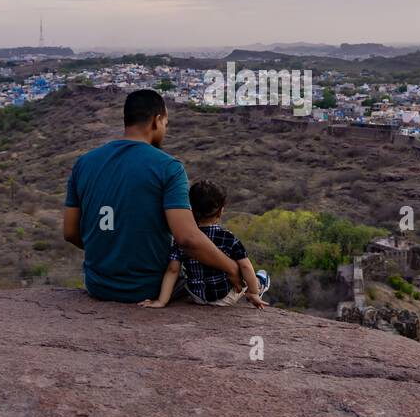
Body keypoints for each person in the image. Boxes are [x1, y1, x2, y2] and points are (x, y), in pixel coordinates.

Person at [63, 89, 242, 303]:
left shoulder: (84, 163)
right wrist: (232, 267)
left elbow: (70, 232)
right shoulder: (168, 167)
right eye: (166, 123)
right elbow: (187, 239)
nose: (165, 129)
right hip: (148, 288)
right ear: (156, 121)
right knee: (215, 280)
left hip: (98, 285)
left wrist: (110, 248)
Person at [139, 180, 270, 309]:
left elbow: (173, 270)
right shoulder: (228, 237)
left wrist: (161, 301)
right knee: (249, 270)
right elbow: (245, 266)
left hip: (197, 296)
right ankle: (259, 285)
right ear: (220, 212)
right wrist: (253, 292)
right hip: (224, 298)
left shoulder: (182, 238)